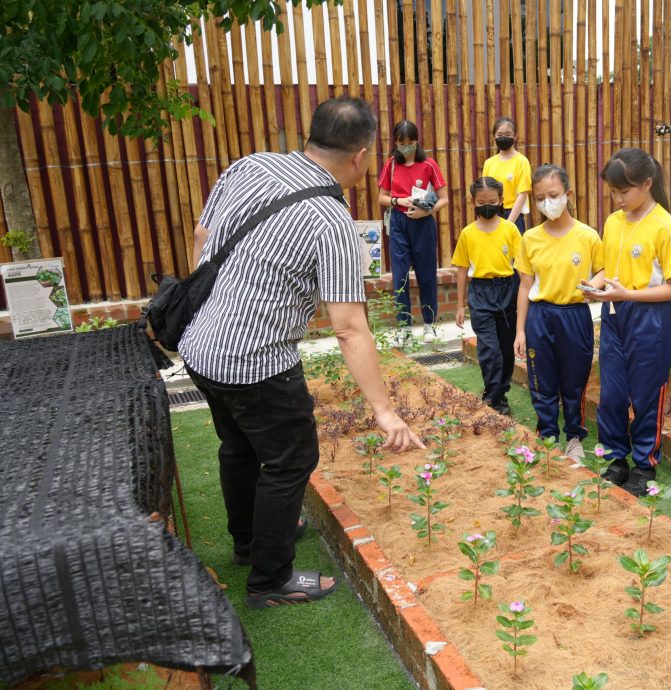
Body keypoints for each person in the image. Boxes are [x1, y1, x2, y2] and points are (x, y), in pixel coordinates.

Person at [181, 96, 424, 609]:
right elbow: (349, 328)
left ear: (311, 134)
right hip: (256, 359)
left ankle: (250, 543)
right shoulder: (332, 220)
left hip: (199, 345)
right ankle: (271, 580)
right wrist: (385, 411)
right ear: (361, 155)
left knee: (239, 447)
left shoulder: (250, 165)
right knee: (290, 462)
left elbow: (202, 237)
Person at [581, 148, 671, 497]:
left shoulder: (665, 227)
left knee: (646, 395)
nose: (617, 199)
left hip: (651, 319)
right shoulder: (613, 222)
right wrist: (592, 288)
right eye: (613, 191)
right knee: (611, 392)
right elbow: (608, 273)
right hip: (615, 314)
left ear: (647, 183)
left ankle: (645, 464)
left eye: (624, 191)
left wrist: (626, 295)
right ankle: (616, 459)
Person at [513, 164, 603, 463]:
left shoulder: (588, 236)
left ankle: (575, 437)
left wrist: (594, 285)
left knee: (574, 382)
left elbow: (602, 271)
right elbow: (525, 286)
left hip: (575, 315)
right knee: (542, 382)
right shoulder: (530, 239)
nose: (547, 202)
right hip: (541, 315)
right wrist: (521, 330)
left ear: (568, 194)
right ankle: (546, 436)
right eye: (540, 198)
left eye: (553, 195)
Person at [453, 177, 522, 415]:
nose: (487, 206)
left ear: (501, 200)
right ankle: (492, 397)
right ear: (473, 202)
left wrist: (527, 302)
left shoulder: (510, 230)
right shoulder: (468, 233)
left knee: (505, 348)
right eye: (482, 202)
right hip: (480, 292)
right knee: (489, 349)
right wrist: (460, 304)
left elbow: (523, 268)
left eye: (492, 201)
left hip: (507, 290)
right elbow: (462, 269)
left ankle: (500, 393)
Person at [378, 120, 449, 343]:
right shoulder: (391, 165)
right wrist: (399, 199)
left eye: (410, 143)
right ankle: (404, 328)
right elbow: (382, 197)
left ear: (417, 142)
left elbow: (444, 198)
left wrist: (425, 213)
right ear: (396, 143)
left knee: (426, 275)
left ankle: (429, 324)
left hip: (423, 223)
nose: (406, 147)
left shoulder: (428, 165)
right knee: (399, 277)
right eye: (401, 143)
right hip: (399, 222)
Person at [481, 117, 532, 234]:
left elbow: (522, 194)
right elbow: (484, 192)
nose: (503, 137)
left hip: (514, 215)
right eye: (499, 134)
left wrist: (509, 223)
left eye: (507, 134)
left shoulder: (521, 161)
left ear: (515, 136)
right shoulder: (489, 163)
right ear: (494, 136)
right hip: (492, 213)